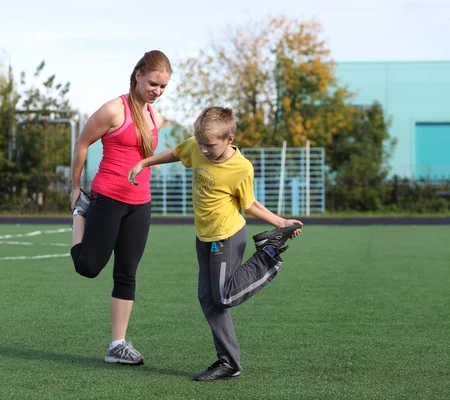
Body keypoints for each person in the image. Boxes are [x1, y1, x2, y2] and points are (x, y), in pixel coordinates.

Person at [127, 106, 303, 381]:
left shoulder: (240, 167)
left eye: (210, 145)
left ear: (229, 139)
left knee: (224, 296)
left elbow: (250, 203)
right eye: (201, 143)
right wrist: (144, 162)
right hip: (204, 237)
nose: (204, 150)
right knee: (208, 300)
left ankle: (269, 253)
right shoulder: (196, 146)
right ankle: (229, 363)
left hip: (227, 237)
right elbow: (177, 152)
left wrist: (279, 223)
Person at [69, 50, 172, 366]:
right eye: (153, 83)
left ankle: (117, 345)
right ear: (138, 74)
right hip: (108, 198)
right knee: (88, 266)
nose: (157, 91)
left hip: (140, 204)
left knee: (127, 273)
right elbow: (82, 143)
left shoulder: (155, 116)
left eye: (163, 87)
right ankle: (79, 215)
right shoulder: (114, 110)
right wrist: (75, 189)